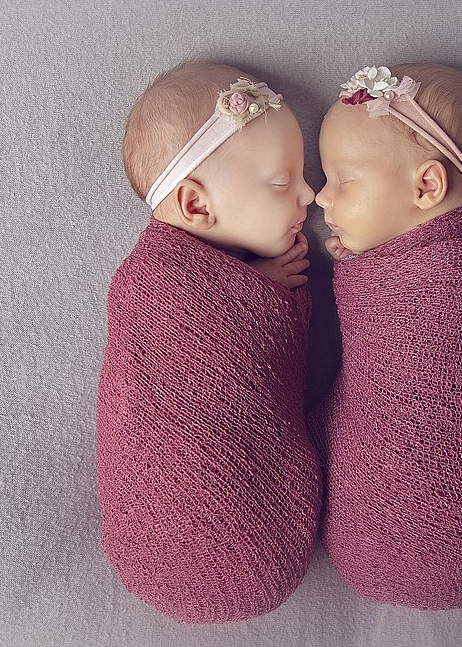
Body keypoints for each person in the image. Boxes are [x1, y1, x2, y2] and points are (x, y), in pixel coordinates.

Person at [311, 64, 462, 610]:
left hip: (460, 512)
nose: (321, 201)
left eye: (342, 181)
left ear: (426, 186)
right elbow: (380, 369)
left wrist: (364, 272)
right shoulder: (425, 263)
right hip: (441, 541)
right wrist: (365, 269)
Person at [96, 61, 321, 624]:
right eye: (281, 182)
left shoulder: (203, 269)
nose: (310, 196)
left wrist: (255, 286)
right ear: (196, 205)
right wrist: (259, 291)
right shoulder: (152, 281)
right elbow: (173, 358)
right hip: (165, 511)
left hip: (249, 529)